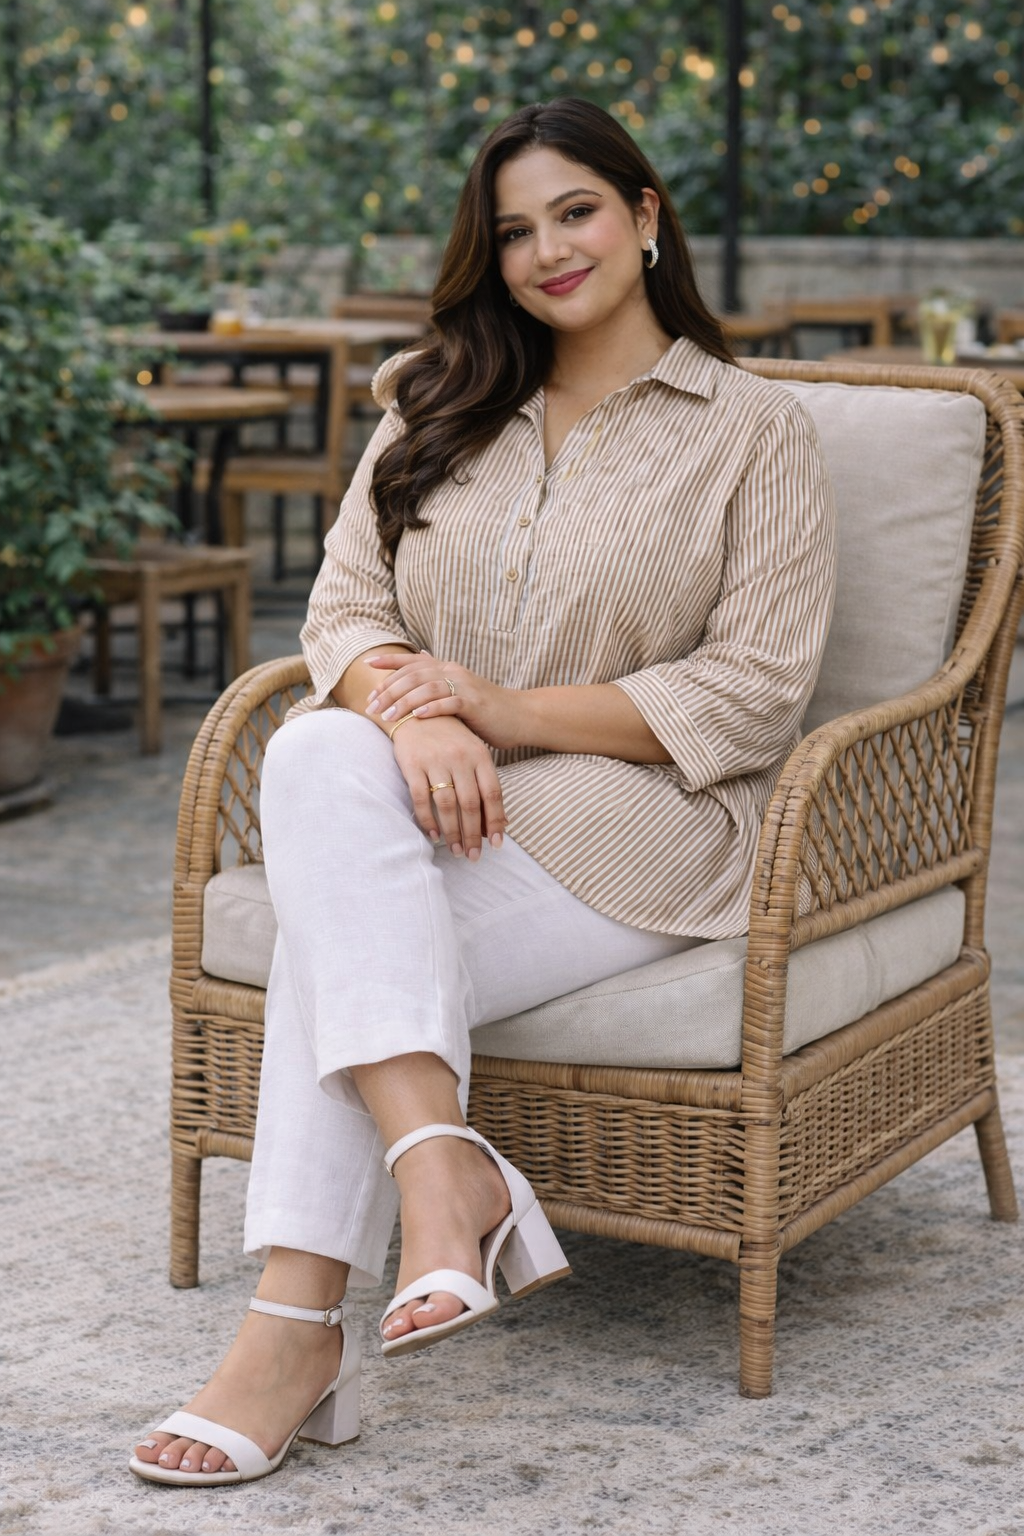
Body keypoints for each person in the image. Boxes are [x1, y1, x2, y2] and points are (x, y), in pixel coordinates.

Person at [130, 98, 836, 1486]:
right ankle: (442, 1168)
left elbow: (755, 689)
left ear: (646, 214)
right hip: (413, 807)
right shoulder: (431, 397)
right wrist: (411, 709)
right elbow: (340, 609)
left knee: (332, 943)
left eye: (575, 211)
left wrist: (495, 713)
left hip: (632, 835)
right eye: (512, 231)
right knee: (321, 746)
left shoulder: (757, 429)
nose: (545, 251)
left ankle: (289, 1336)